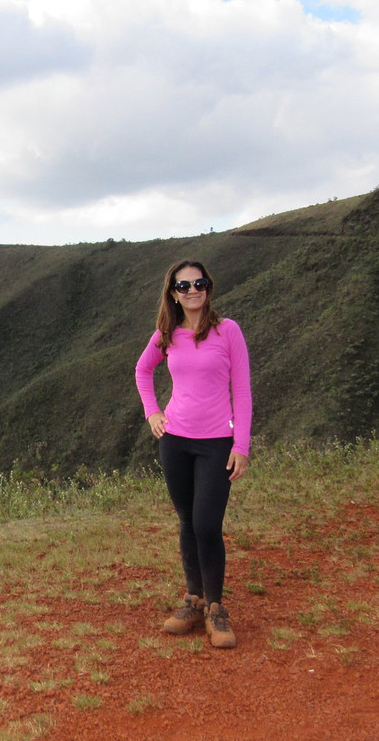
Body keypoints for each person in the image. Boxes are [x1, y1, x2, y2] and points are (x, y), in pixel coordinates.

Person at [134, 260, 251, 648]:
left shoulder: (227, 331)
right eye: (184, 286)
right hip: (176, 441)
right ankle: (193, 599)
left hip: (217, 442)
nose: (192, 290)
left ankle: (216, 609)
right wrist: (153, 411)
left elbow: (244, 391)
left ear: (208, 287)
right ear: (173, 293)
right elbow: (142, 371)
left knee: (206, 524)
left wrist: (242, 445)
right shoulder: (166, 334)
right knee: (187, 520)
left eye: (198, 283)